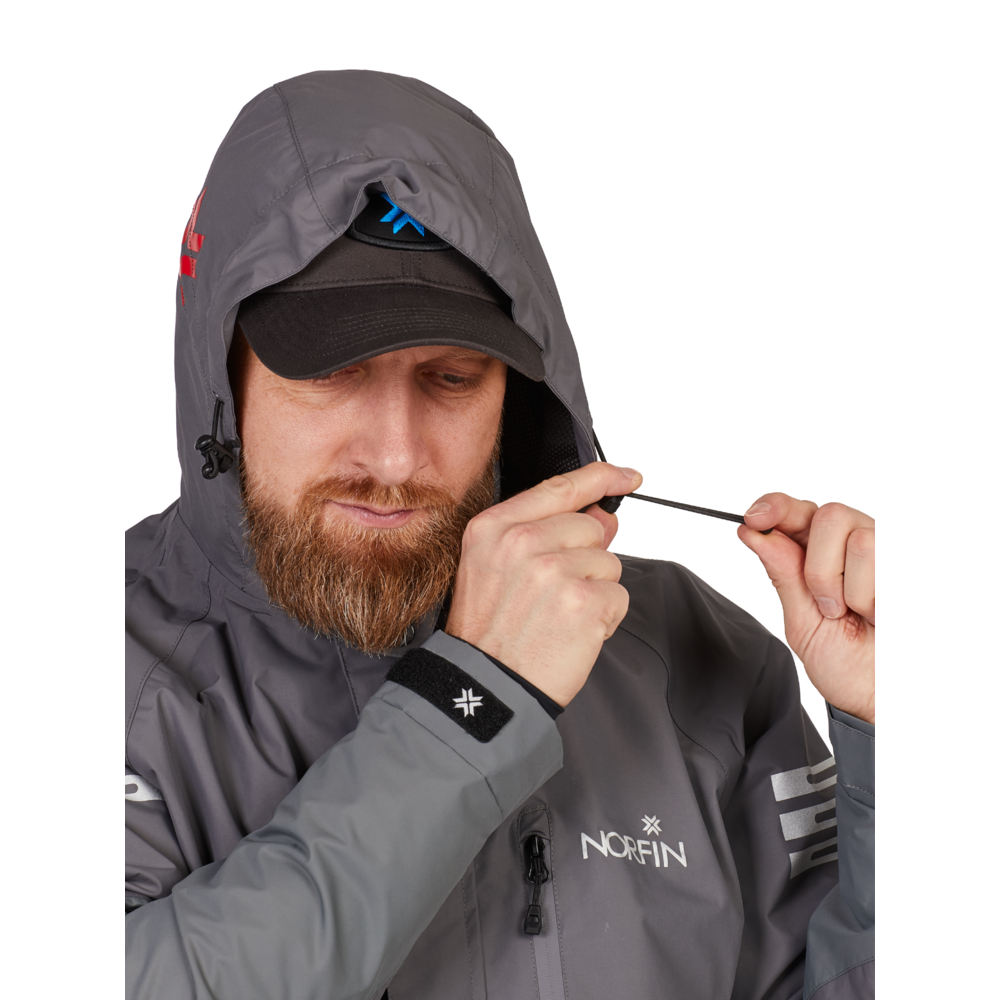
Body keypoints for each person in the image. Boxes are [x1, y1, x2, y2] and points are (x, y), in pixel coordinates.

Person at [125, 70, 874, 1000]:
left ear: (519, 397)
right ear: (221, 380)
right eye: (330, 375)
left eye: (451, 378)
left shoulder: (692, 658)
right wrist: (469, 703)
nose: (395, 457)